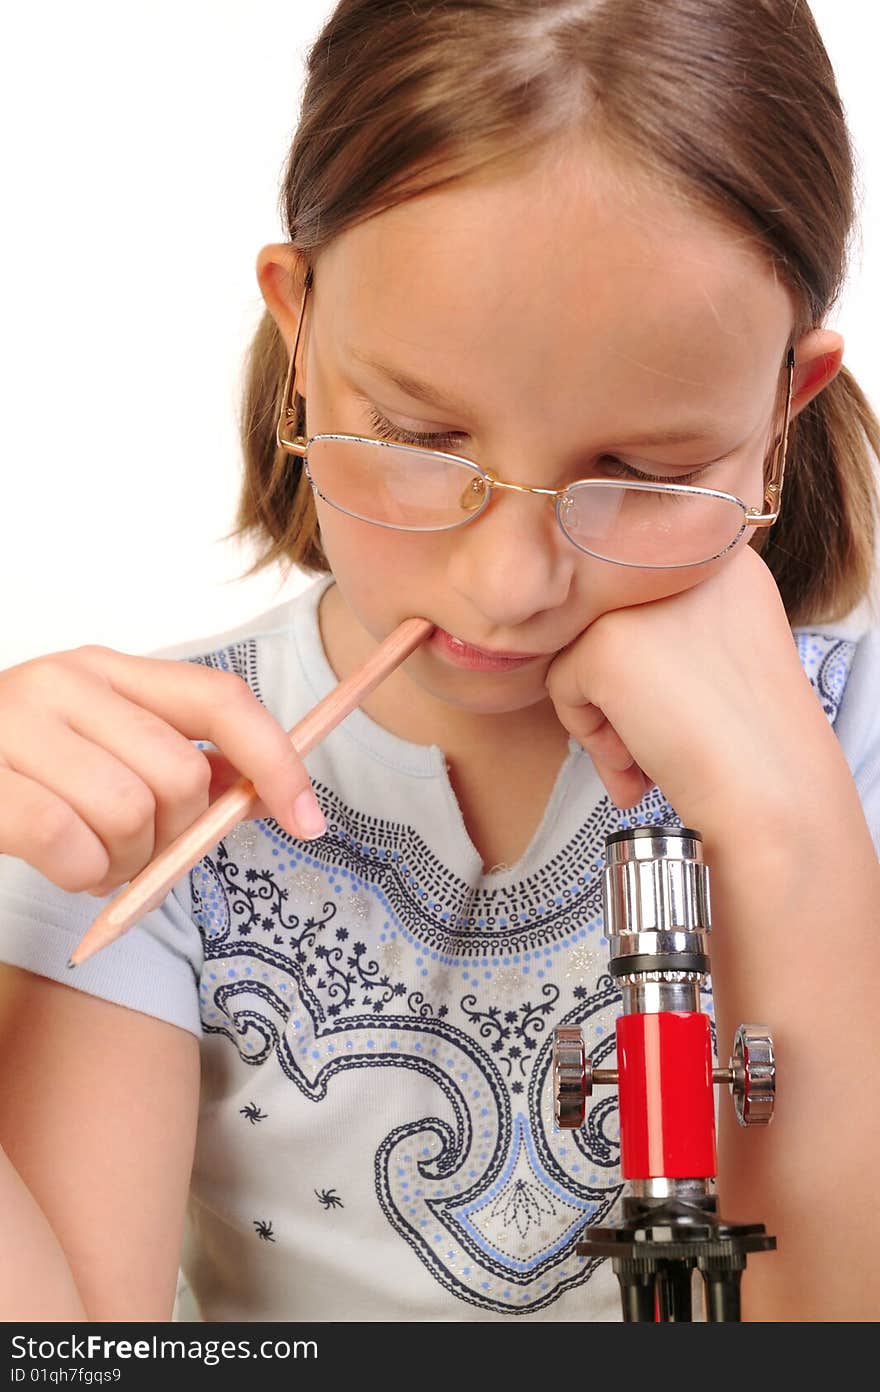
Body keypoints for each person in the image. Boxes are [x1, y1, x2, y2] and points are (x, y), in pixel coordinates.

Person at [1, 0, 878, 1325]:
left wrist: (791, 833)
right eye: (418, 432)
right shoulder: (144, 797)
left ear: (777, 416)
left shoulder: (853, 750)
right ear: (301, 331)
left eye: (642, 472)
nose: (508, 583)